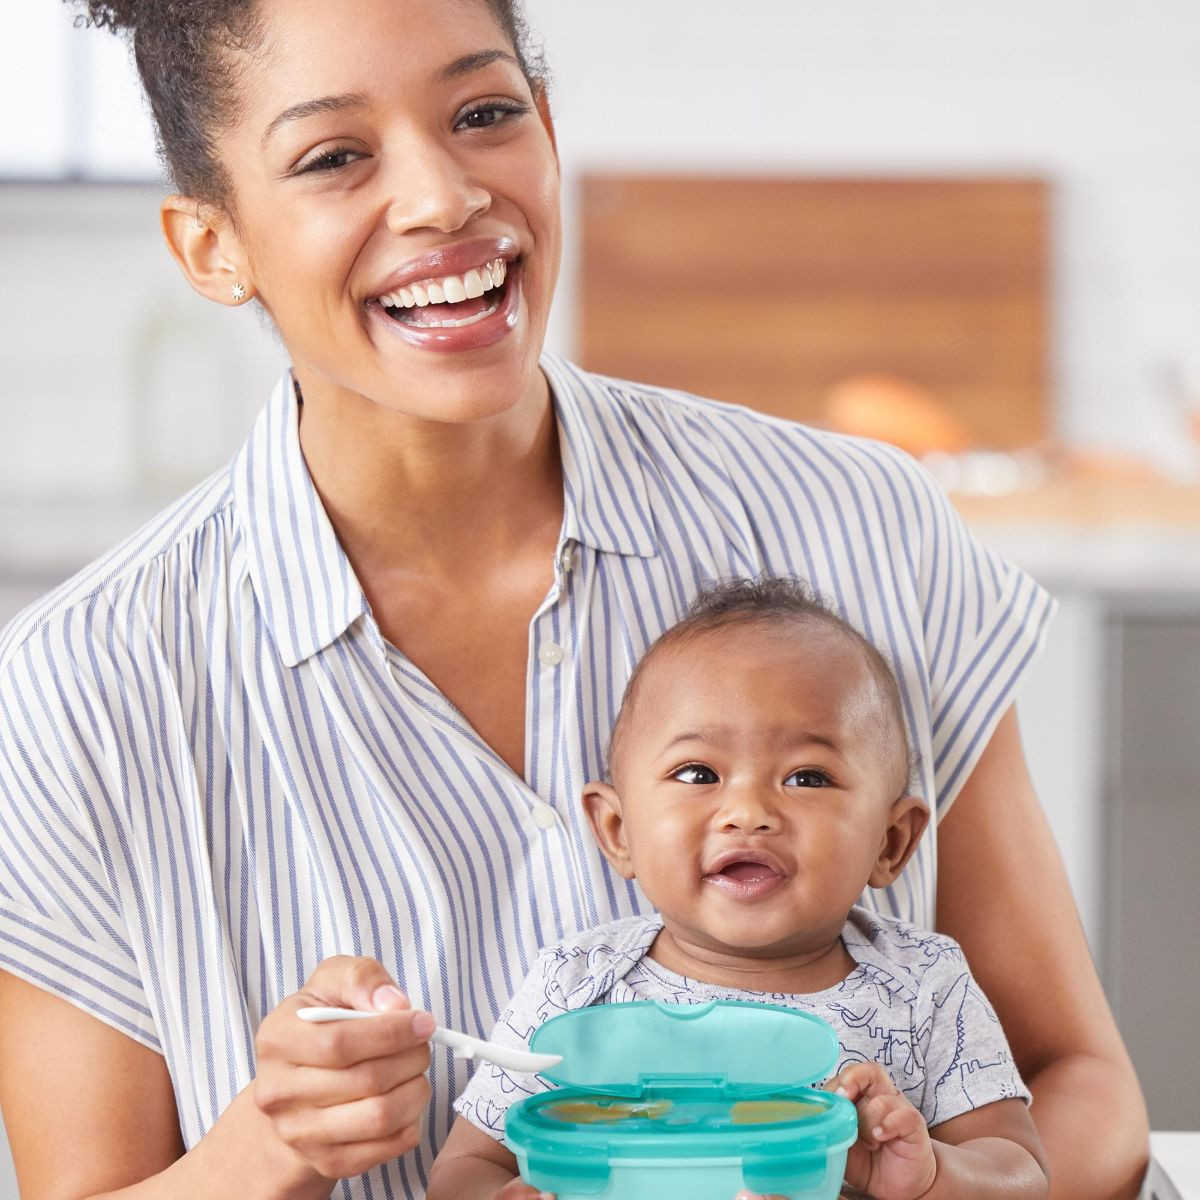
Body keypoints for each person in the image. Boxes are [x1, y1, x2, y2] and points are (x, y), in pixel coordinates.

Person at [0, 1, 1145, 1198]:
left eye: (486, 114)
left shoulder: (863, 526)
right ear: (211, 246)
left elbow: (1084, 1087)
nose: (444, 198)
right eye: (335, 156)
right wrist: (268, 1149)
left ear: (546, 126)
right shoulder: (83, 688)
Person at [429, 577, 1050, 1200]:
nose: (748, 811)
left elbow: (1020, 1175)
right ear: (618, 831)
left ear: (890, 842)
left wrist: (931, 1173)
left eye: (808, 777)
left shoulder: (923, 986)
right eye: (698, 773)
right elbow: (467, 1169)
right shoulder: (575, 984)